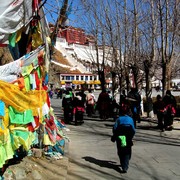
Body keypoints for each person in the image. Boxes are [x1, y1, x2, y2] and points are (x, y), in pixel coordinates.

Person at [111, 103, 135, 173]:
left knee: (121, 151)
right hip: (128, 137)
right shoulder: (130, 119)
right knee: (127, 151)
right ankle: (125, 164)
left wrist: (114, 136)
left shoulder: (119, 119)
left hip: (120, 137)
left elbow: (114, 128)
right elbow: (133, 130)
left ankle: (123, 164)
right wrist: (131, 137)